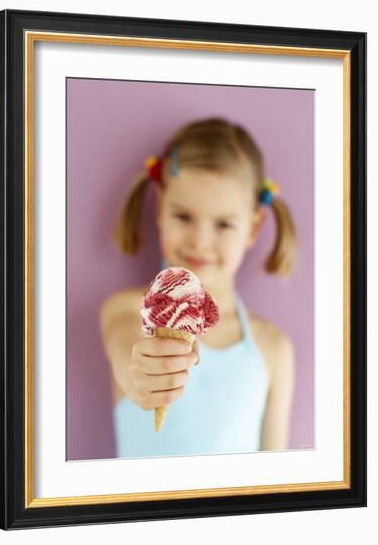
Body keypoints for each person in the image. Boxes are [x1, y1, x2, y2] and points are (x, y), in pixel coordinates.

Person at [99, 117, 297, 459]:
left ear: (252, 229)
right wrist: (140, 377)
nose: (200, 241)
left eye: (223, 224)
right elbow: (125, 351)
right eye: (183, 217)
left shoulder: (273, 348)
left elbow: (274, 477)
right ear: (160, 207)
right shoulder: (127, 310)